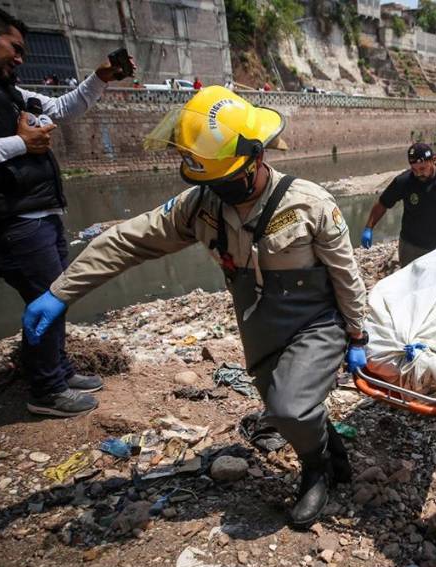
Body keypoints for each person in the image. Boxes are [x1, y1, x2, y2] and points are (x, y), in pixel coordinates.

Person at [21, 86, 368, 528]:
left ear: (256, 159)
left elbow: (346, 274)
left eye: (224, 183)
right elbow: (130, 239)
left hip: (316, 322)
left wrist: (358, 334)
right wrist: (61, 291)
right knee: (285, 401)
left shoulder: (310, 204)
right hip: (258, 322)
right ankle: (331, 455)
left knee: (288, 409)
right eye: (207, 184)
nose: (216, 193)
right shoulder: (201, 206)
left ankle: (316, 471)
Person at [0, 1, 135, 417]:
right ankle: (47, 390)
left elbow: (59, 109)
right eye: (15, 48)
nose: (20, 58)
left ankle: (57, 370)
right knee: (46, 297)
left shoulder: (1, 85)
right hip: (4, 217)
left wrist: (101, 77)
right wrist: (18, 145)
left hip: (35, 211)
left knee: (55, 295)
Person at [360, 143, 436, 266]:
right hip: (411, 247)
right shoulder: (404, 181)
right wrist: (369, 227)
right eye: (414, 169)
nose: (418, 174)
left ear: (434, 160)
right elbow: (383, 203)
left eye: (422, 169)